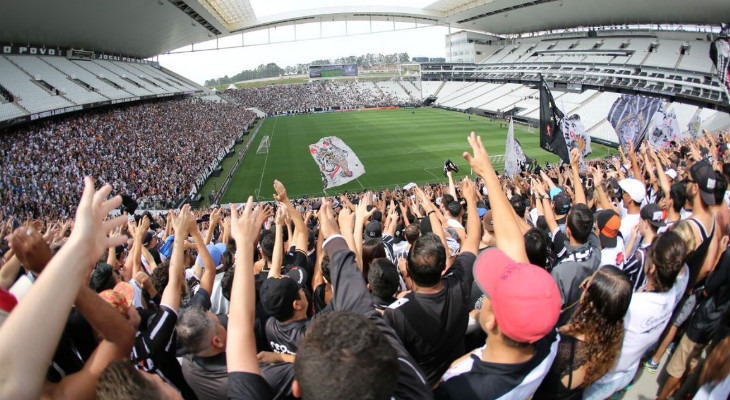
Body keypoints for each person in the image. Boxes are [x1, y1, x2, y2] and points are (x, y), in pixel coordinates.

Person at [434, 132, 561, 399]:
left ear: (489, 321)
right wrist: (489, 176)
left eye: (490, 295)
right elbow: (517, 250)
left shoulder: (460, 390)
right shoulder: (548, 339)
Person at [383, 177, 481, 386]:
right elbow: (472, 239)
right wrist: (470, 202)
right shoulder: (458, 283)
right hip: (458, 382)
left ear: (406, 271)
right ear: (442, 267)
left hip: (425, 389)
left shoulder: (397, 313)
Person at [583, 231, 690, 400]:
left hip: (606, 374)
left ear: (653, 267)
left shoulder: (633, 305)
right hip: (630, 367)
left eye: (649, 254)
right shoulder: (673, 294)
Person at [533, 266, 632, 400]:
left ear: (590, 303)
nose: (582, 287)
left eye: (586, 285)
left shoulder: (564, 344)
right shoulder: (613, 335)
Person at [176, 305, 228, 400]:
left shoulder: (186, 364)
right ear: (217, 341)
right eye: (220, 323)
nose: (224, 325)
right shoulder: (240, 378)